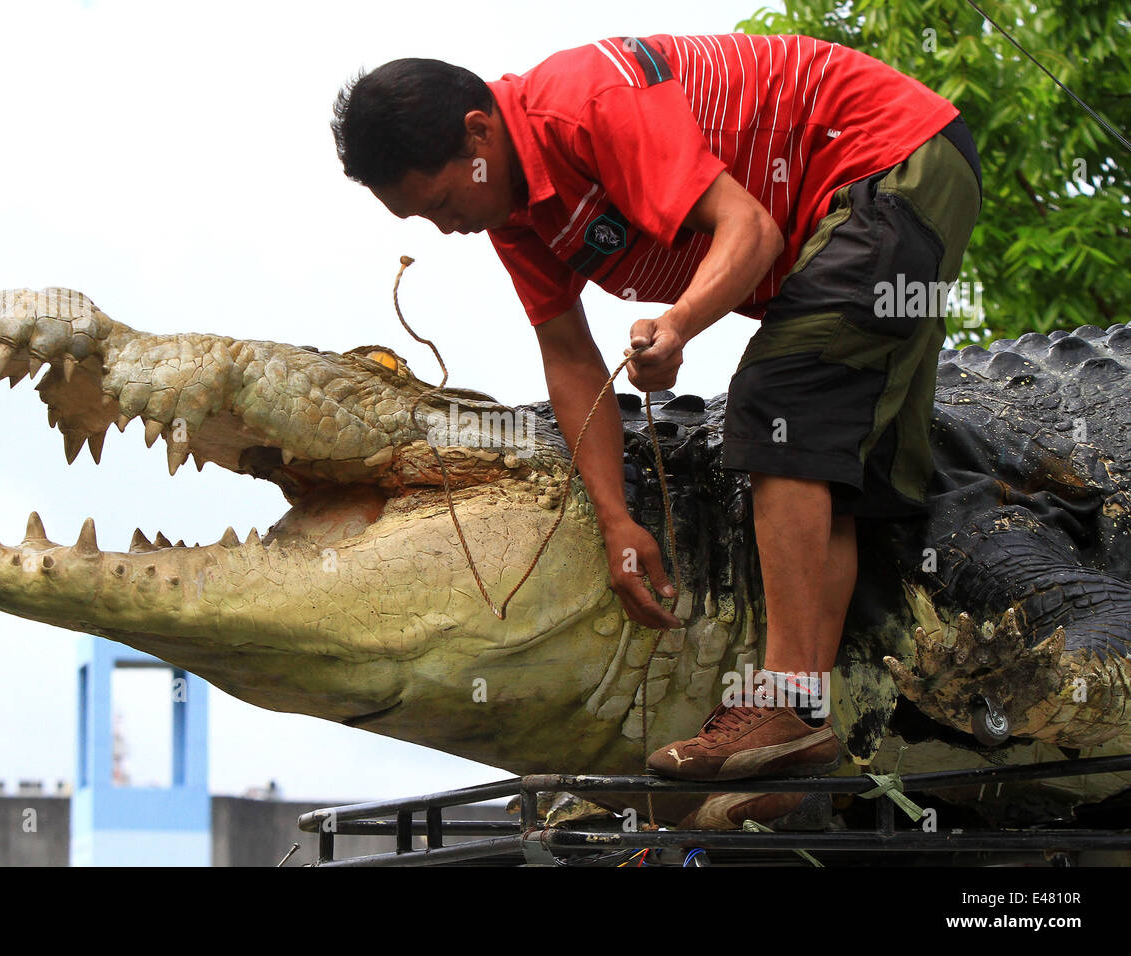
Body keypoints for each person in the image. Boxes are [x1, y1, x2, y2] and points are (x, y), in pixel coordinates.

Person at [331, 33, 981, 828]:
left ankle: (780, 706)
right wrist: (615, 521)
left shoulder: (587, 104)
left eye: (438, 203)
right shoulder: (517, 215)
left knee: (777, 404)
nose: (442, 227)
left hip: (888, 160)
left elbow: (750, 230)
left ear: (477, 135)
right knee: (828, 474)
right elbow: (570, 358)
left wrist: (677, 327)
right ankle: (795, 741)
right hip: (871, 196)